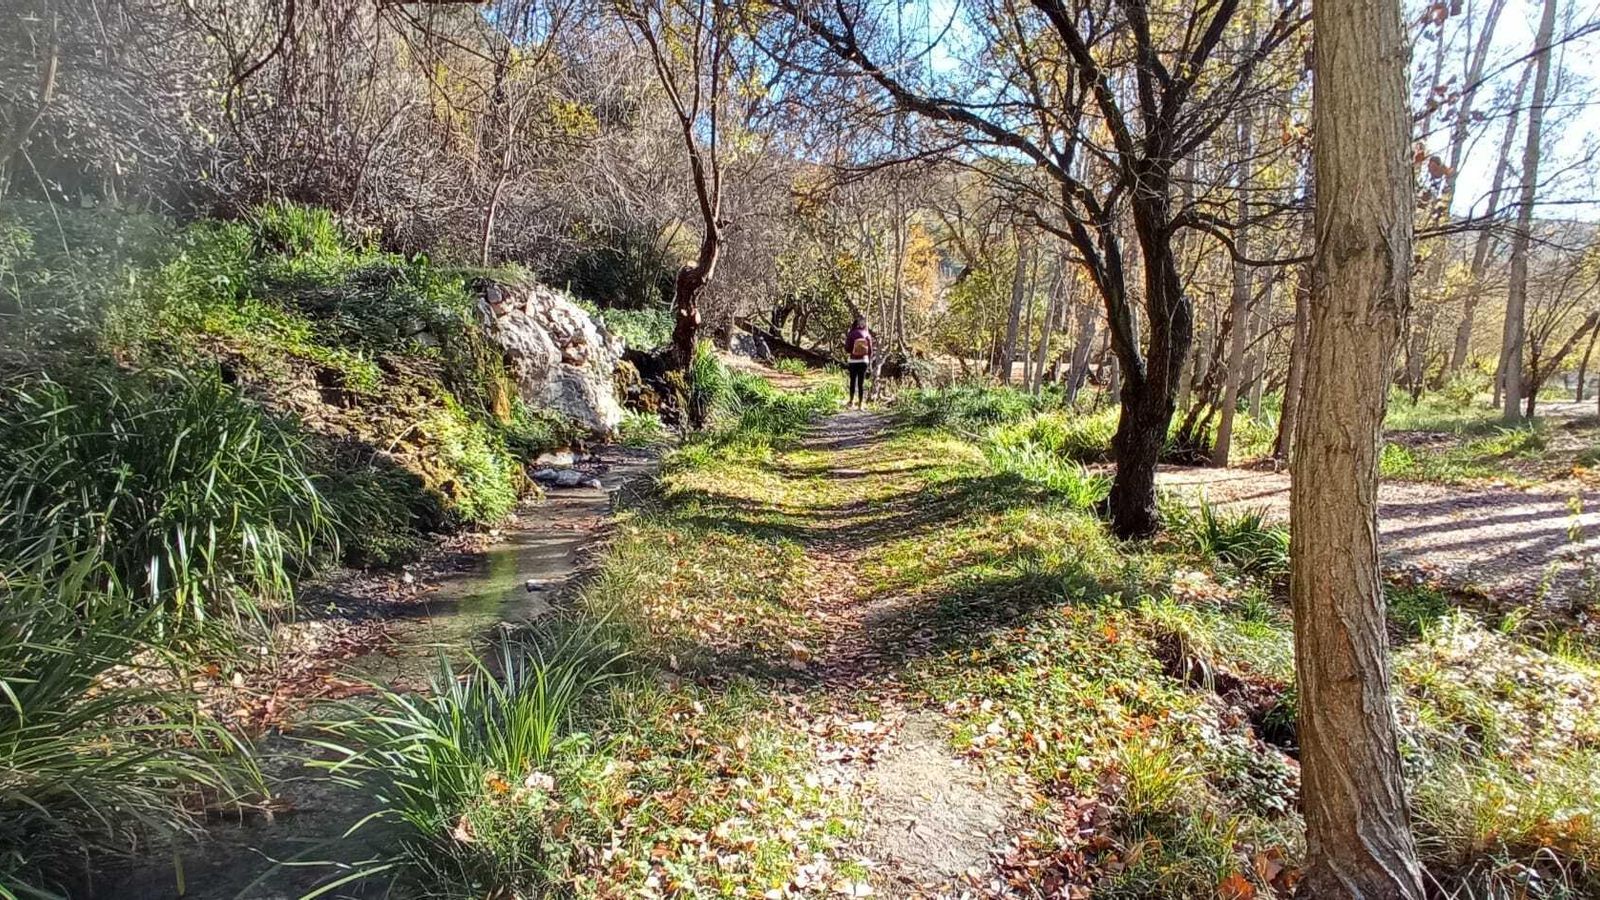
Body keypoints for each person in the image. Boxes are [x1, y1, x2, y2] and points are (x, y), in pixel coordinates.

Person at [844, 315, 872, 409]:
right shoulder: (867, 334)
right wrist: (868, 360)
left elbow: (847, 349)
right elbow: (870, 350)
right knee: (861, 383)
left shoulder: (851, 333)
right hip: (864, 361)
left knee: (852, 381)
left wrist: (853, 351)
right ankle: (860, 404)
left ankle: (851, 401)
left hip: (853, 361)